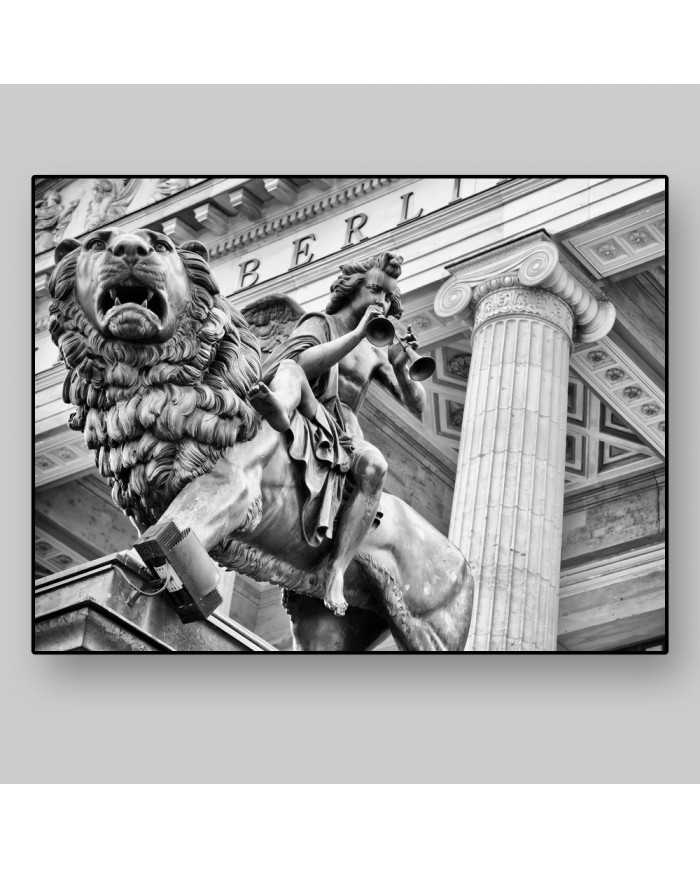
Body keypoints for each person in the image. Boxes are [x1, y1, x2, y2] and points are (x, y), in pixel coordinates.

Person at [248, 251, 426, 616]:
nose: (381, 301)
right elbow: (299, 362)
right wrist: (359, 333)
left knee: (374, 465)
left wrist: (402, 368)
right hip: (306, 405)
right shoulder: (319, 322)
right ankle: (278, 408)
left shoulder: (375, 350)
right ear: (352, 289)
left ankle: (337, 570)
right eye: (375, 290)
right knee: (290, 374)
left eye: (388, 297)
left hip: (342, 430)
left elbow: (417, 403)